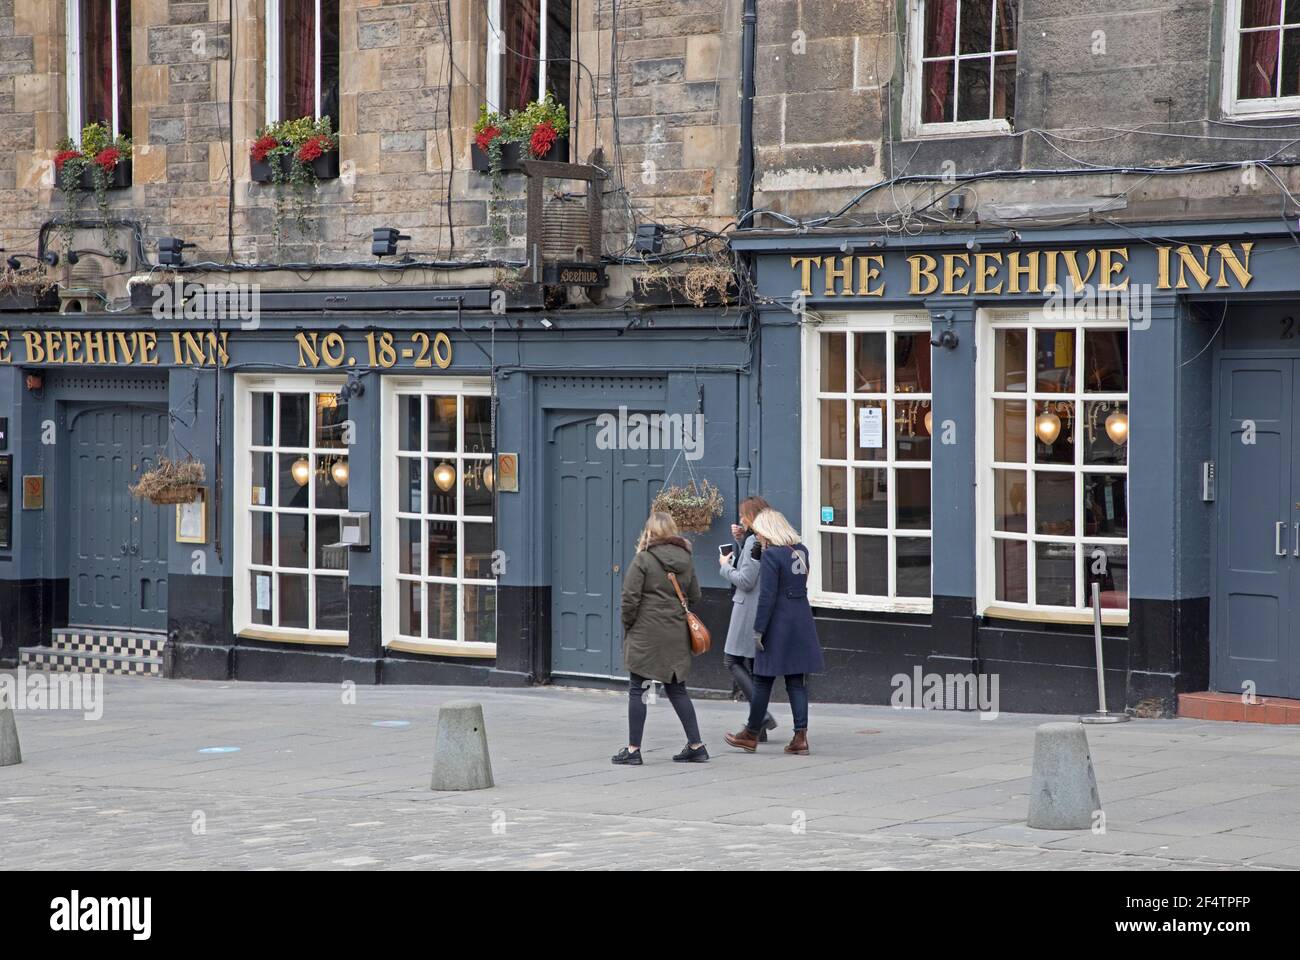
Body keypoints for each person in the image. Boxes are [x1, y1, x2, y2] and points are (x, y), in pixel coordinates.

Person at [724, 508, 825, 755]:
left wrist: (758, 630)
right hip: (801, 621)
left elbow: (767, 596)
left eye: (759, 534)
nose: (758, 538)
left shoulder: (771, 556)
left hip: (777, 624)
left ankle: (750, 733)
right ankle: (800, 737)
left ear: (768, 531)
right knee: (796, 682)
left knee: (761, 680)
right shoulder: (801, 551)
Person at [613, 511, 709, 765]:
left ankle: (633, 750)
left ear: (650, 531)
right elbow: (695, 594)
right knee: (677, 689)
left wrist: (629, 625)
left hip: (646, 633)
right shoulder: (686, 559)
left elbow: (629, 599)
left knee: (639, 689)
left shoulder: (643, 559)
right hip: (676, 632)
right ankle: (696, 744)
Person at [719, 495, 778, 741]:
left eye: (744, 515)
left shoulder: (757, 539)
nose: (741, 518)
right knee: (755, 668)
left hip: (746, 609)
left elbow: (745, 579)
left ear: (752, 517)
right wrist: (741, 540)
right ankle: (758, 730)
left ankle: (762, 714)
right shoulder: (768, 539)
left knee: (731, 660)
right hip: (763, 607)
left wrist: (724, 566)